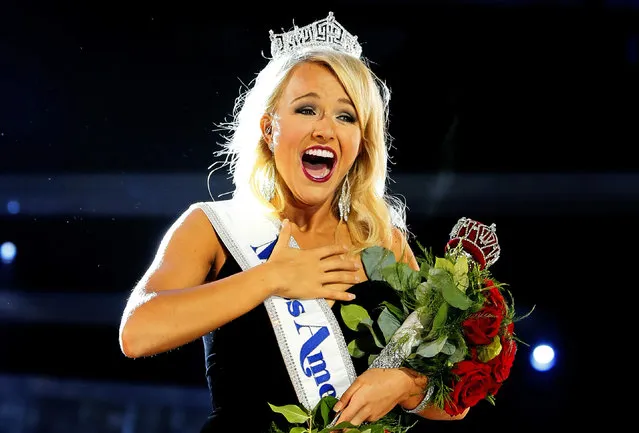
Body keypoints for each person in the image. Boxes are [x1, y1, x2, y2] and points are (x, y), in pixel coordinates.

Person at [118, 11, 469, 432]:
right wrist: (270, 278)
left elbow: (454, 402)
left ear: (361, 143)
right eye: (307, 109)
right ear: (269, 129)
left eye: (346, 116)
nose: (326, 129)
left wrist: (403, 385)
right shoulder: (213, 227)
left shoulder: (382, 242)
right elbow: (137, 333)